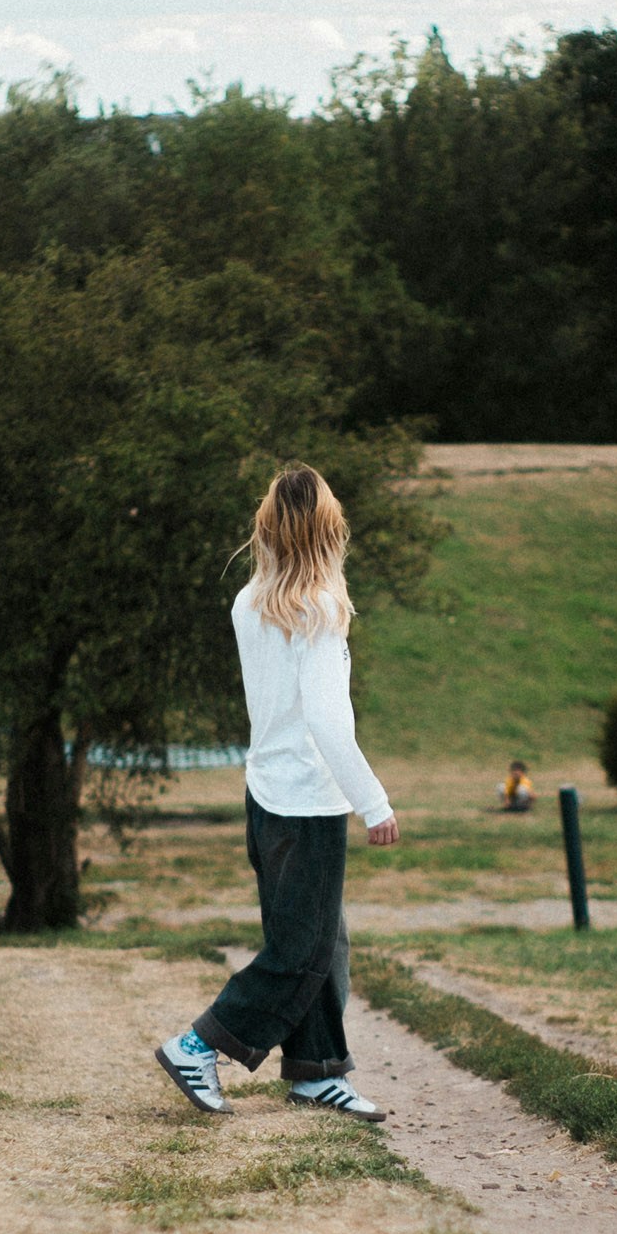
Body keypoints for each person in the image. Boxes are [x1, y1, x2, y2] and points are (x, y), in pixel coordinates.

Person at [156, 463, 398, 1122]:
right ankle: (197, 1045)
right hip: (309, 802)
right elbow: (326, 721)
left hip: (266, 794)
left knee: (323, 940)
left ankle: (318, 1072)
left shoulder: (251, 601)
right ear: (328, 530)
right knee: (304, 950)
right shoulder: (316, 609)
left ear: (269, 526)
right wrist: (373, 802)